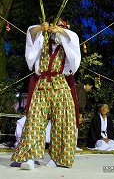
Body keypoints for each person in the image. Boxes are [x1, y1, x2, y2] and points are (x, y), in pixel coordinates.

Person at [11, 17, 81, 169]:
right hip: (42, 86)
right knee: (33, 122)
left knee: (64, 123)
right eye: (54, 27)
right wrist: (40, 28)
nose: (56, 31)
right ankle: (29, 157)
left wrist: (60, 30)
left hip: (61, 86)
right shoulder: (41, 42)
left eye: (62, 27)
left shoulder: (68, 43)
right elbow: (30, 33)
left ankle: (59, 159)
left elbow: (73, 39)